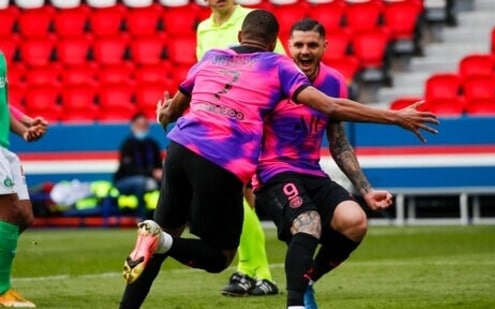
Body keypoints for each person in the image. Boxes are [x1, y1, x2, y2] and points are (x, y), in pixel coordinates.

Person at [119, 10, 437, 308]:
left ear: (241, 33)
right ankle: (163, 243)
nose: (304, 51)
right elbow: (329, 106)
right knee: (220, 256)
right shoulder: (276, 65)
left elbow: (174, 109)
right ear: (277, 44)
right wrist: (395, 117)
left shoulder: (211, 58)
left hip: (178, 150)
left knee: (160, 236)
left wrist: (163, 115)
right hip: (221, 161)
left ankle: (143, 271)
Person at [253, 18, 395, 309]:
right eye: (299, 44)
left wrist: (365, 190)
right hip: (273, 171)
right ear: (288, 45)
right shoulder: (271, 77)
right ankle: (296, 304)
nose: (305, 51)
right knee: (309, 222)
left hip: (311, 171)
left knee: (355, 222)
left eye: (312, 45)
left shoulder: (334, 82)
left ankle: (306, 280)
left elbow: (339, 142)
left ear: (324, 46)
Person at [196, 0, 284, 296]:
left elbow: (279, 67)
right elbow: (202, 75)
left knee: (236, 195)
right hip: (217, 127)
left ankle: (252, 271)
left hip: (249, 125)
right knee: (237, 197)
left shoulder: (253, 22)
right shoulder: (203, 29)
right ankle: (254, 273)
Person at [0, 50, 48, 308]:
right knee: (9, 210)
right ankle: (1, 291)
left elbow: (1, 102)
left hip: (4, 146)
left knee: (24, 215)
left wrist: (25, 126)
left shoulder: (0, 56)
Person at [114, 112, 163, 220]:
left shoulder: (153, 144)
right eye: (139, 125)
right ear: (133, 126)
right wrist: (151, 174)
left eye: (145, 125)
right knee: (140, 182)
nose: (142, 128)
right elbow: (129, 169)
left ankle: (163, 216)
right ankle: (141, 217)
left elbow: (158, 166)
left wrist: (160, 173)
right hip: (124, 181)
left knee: (166, 181)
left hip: (150, 179)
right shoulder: (127, 144)